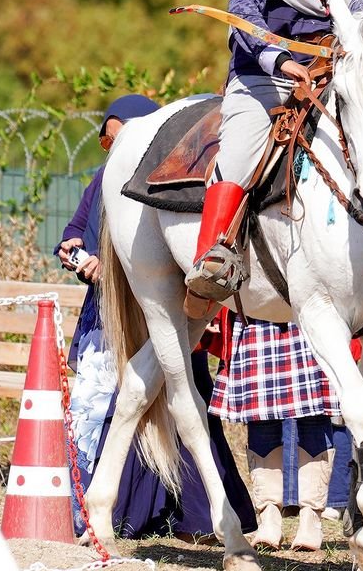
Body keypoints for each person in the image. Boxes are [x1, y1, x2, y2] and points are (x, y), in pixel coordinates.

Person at [185, 0, 363, 313]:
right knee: (241, 149)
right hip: (264, 76)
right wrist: (280, 61)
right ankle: (212, 258)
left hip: (328, 71)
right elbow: (243, 13)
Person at [56, 95, 256, 539]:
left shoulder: (175, 181)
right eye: (107, 144)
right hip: (107, 311)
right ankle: (121, 512)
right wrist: (75, 254)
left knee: (183, 397)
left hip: (171, 307)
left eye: (116, 140)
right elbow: (73, 232)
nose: (111, 151)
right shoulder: (101, 182)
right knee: (106, 409)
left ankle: (196, 517)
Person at [208, 313, 347, 551]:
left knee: (314, 416)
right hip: (254, 315)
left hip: (308, 316)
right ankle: (269, 517)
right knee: (261, 417)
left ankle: (310, 519)